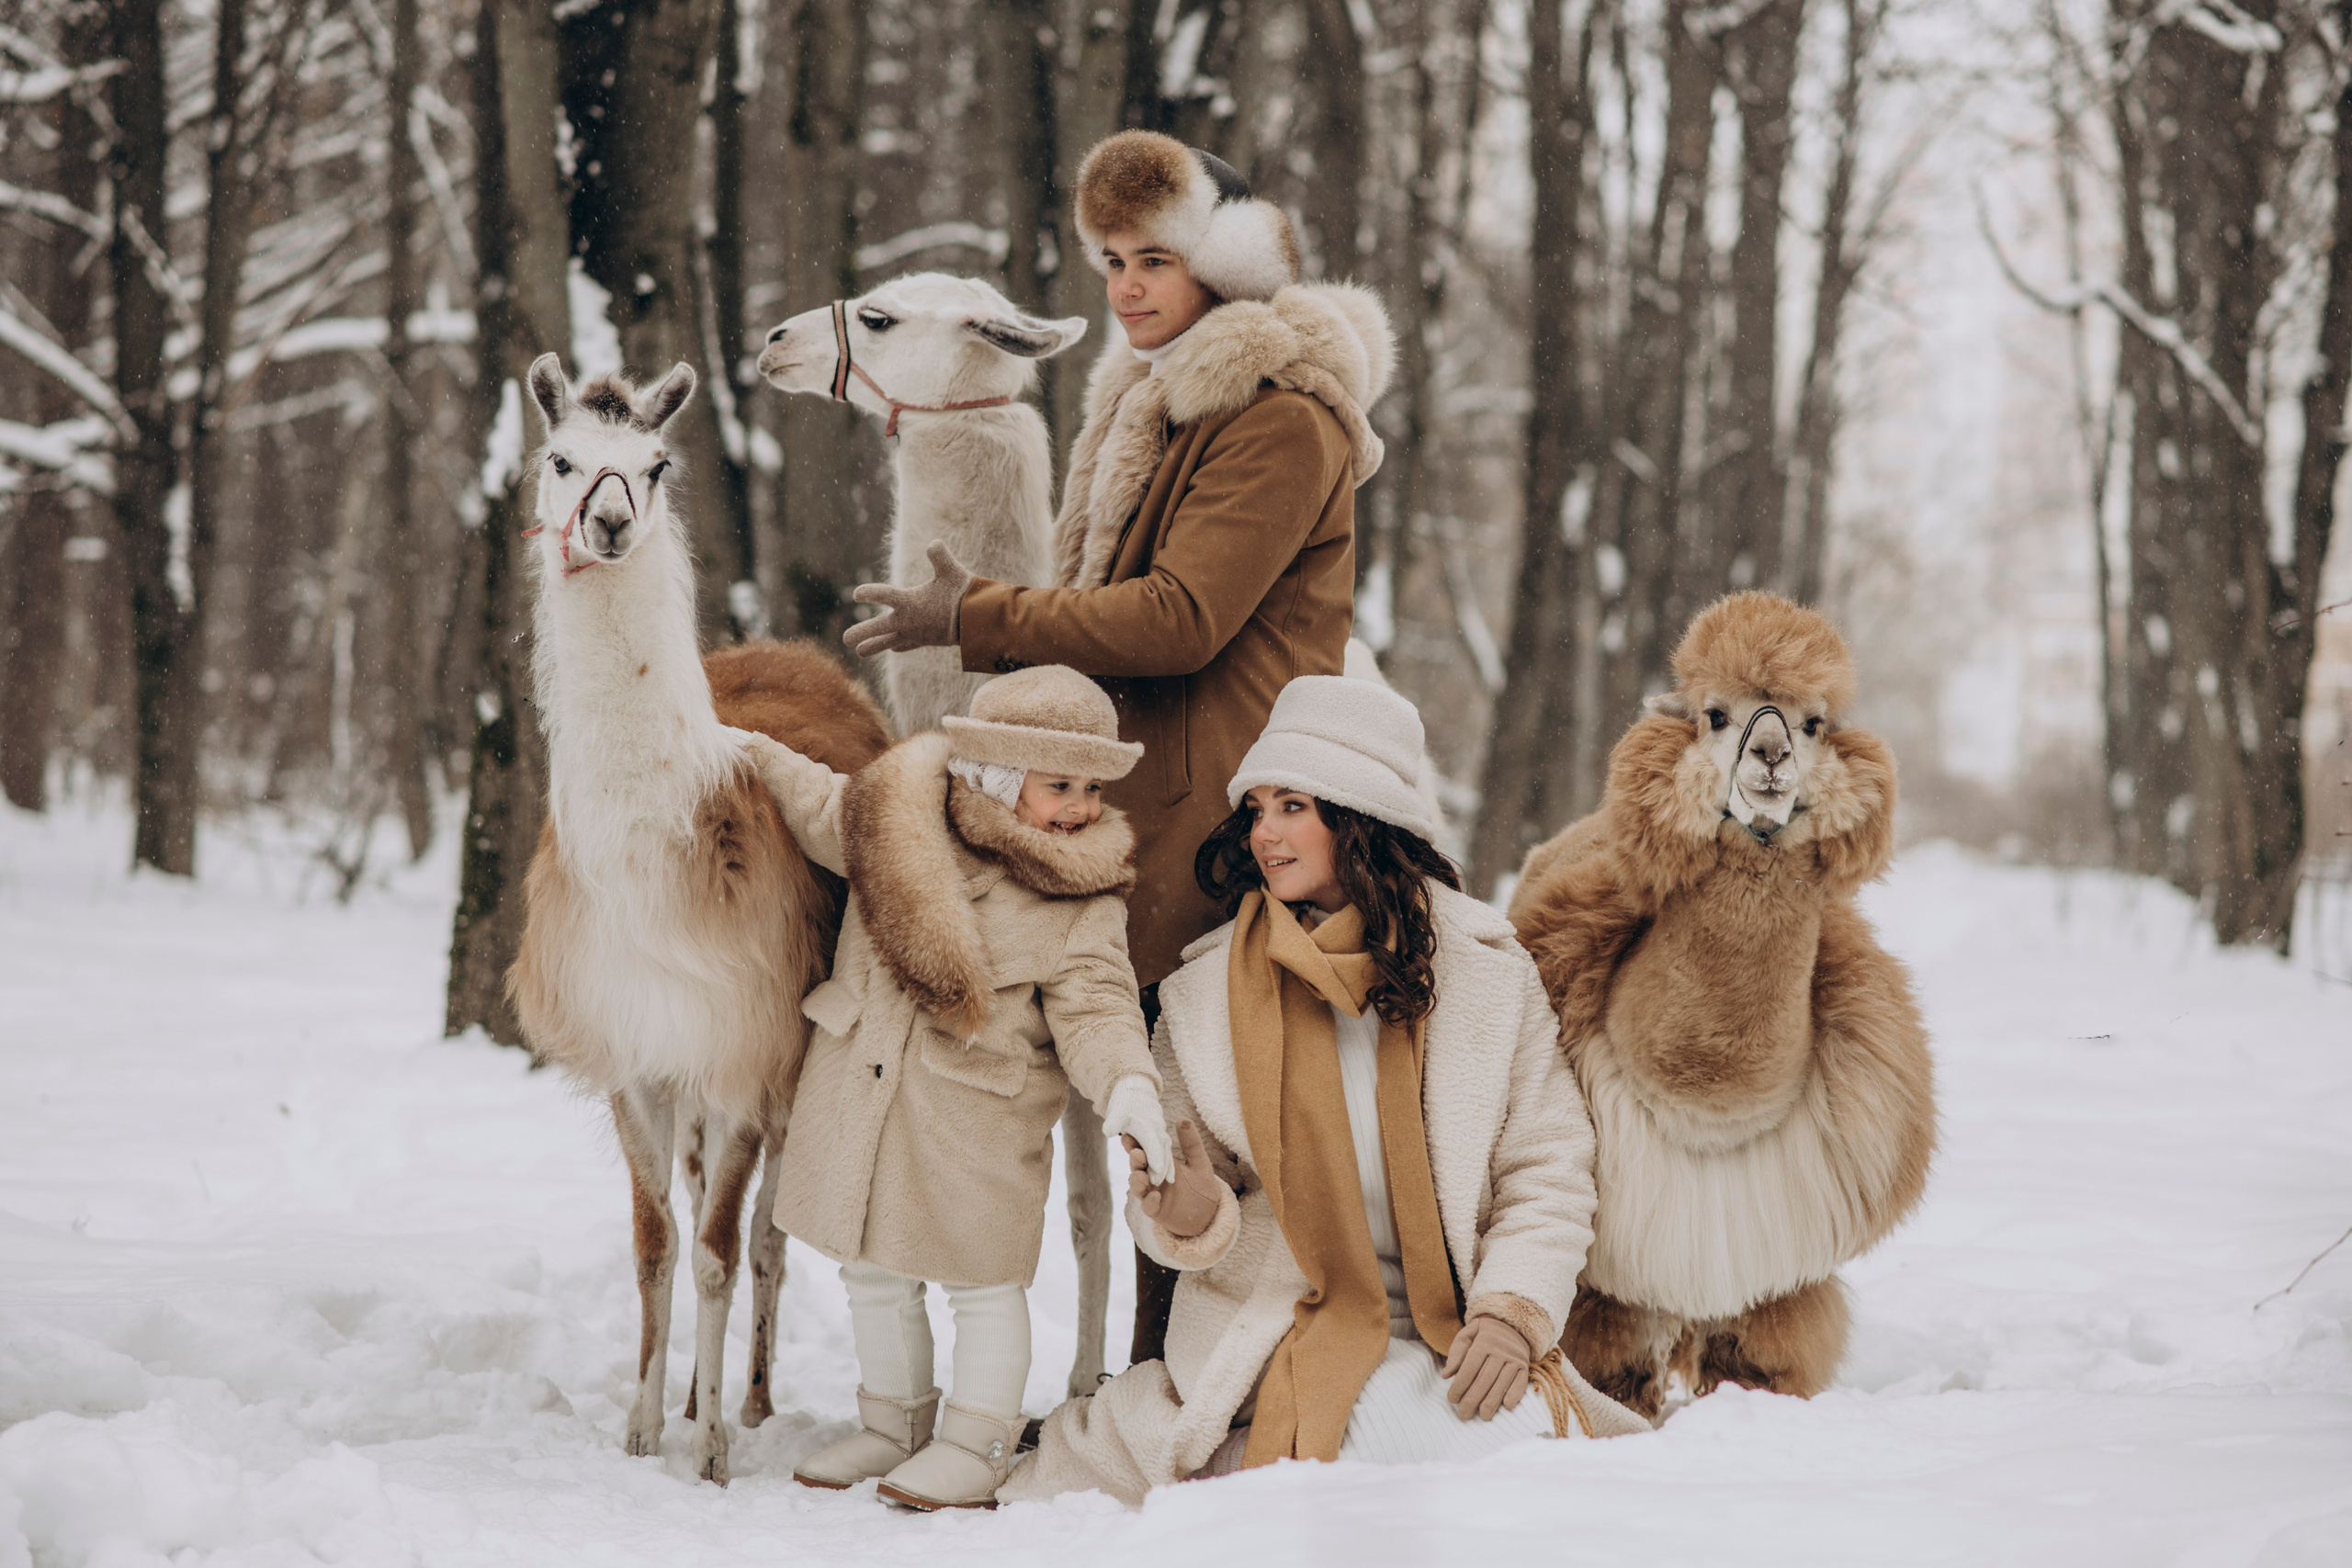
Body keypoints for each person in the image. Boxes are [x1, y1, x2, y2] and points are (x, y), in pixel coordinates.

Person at [840, 130, 1395, 1359]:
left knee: (1202, 1119)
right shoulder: (1171, 408)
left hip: (1227, 821)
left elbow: (1179, 617)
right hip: (1158, 804)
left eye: (1155, 258)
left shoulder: (1277, 418)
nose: (1127, 286)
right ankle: (1151, 1377)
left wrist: (975, 613)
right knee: (1162, 1106)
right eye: (1108, 261)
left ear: (1227, 269)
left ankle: (1197, 1383)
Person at [998, 678, 1648, 1508]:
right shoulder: (1202, 998)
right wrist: (1189, 1217)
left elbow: (1549, 1167)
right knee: (1413, 1449)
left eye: (1291, 806)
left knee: (1526, 1454)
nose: (1262, 832)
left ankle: (1248, 1459)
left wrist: (1510, 1310)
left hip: (1453, 1323)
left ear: (1359, 816)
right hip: (1284, 1322)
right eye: (1257, 808)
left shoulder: (1488, 971)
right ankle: (1257, 1444)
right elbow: (1174, 1212)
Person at [727, 667, 1173, 1510]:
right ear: (999, 777)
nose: (1080, 805)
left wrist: (1126, 1082)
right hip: (865, 1096)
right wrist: (751, 750)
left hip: (976, 1116)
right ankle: (893, 1418)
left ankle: (979, 1436)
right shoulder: (900, 822)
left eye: (1091, 786)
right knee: (873, 1270)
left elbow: (1099, 1005)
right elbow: (825, 807)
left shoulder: (1081, 900)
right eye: (1058, 784)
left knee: (983, 1283)